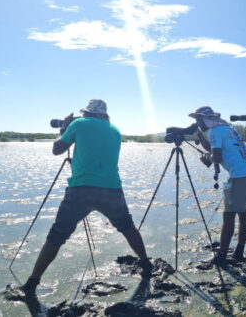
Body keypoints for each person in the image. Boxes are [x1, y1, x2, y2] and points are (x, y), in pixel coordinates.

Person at [21, 99, 152, 295]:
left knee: (57, 235)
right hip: (112, 188)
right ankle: (146, 264)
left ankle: (32, 283)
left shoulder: (78, 124)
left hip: (82, 189)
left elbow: (57, 150)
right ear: (104, 114)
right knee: (127, 226)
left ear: (87, 113)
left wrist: (64, 129)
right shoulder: (115, 130)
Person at [189, 106, 246, 265]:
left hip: (239, 176)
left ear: (206, 119)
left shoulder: (214, 132)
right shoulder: (227, 128)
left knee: (228, 217)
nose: (198, 123)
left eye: (199, 120)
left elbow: (217, 156)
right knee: (244, 214)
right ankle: (239, 253)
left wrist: (208, 159)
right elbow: (214, 149)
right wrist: (200, 136)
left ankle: (221, 257)